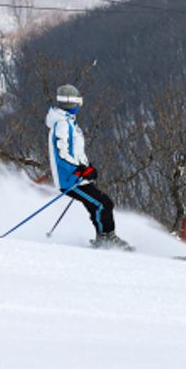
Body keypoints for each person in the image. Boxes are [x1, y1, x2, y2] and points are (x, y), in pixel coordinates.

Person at [46, 84, 130, 250]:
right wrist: (81, 171)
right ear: (71, 102)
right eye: (79, 102)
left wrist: (88, 167)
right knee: (103, 204)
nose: (80, 105)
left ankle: (104, 237)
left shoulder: (68, 122)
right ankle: (106, 238)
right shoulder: (62, 124)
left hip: (77, 177)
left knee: (97, 204)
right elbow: (62, 155)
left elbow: (76, 152)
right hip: (70, 180)